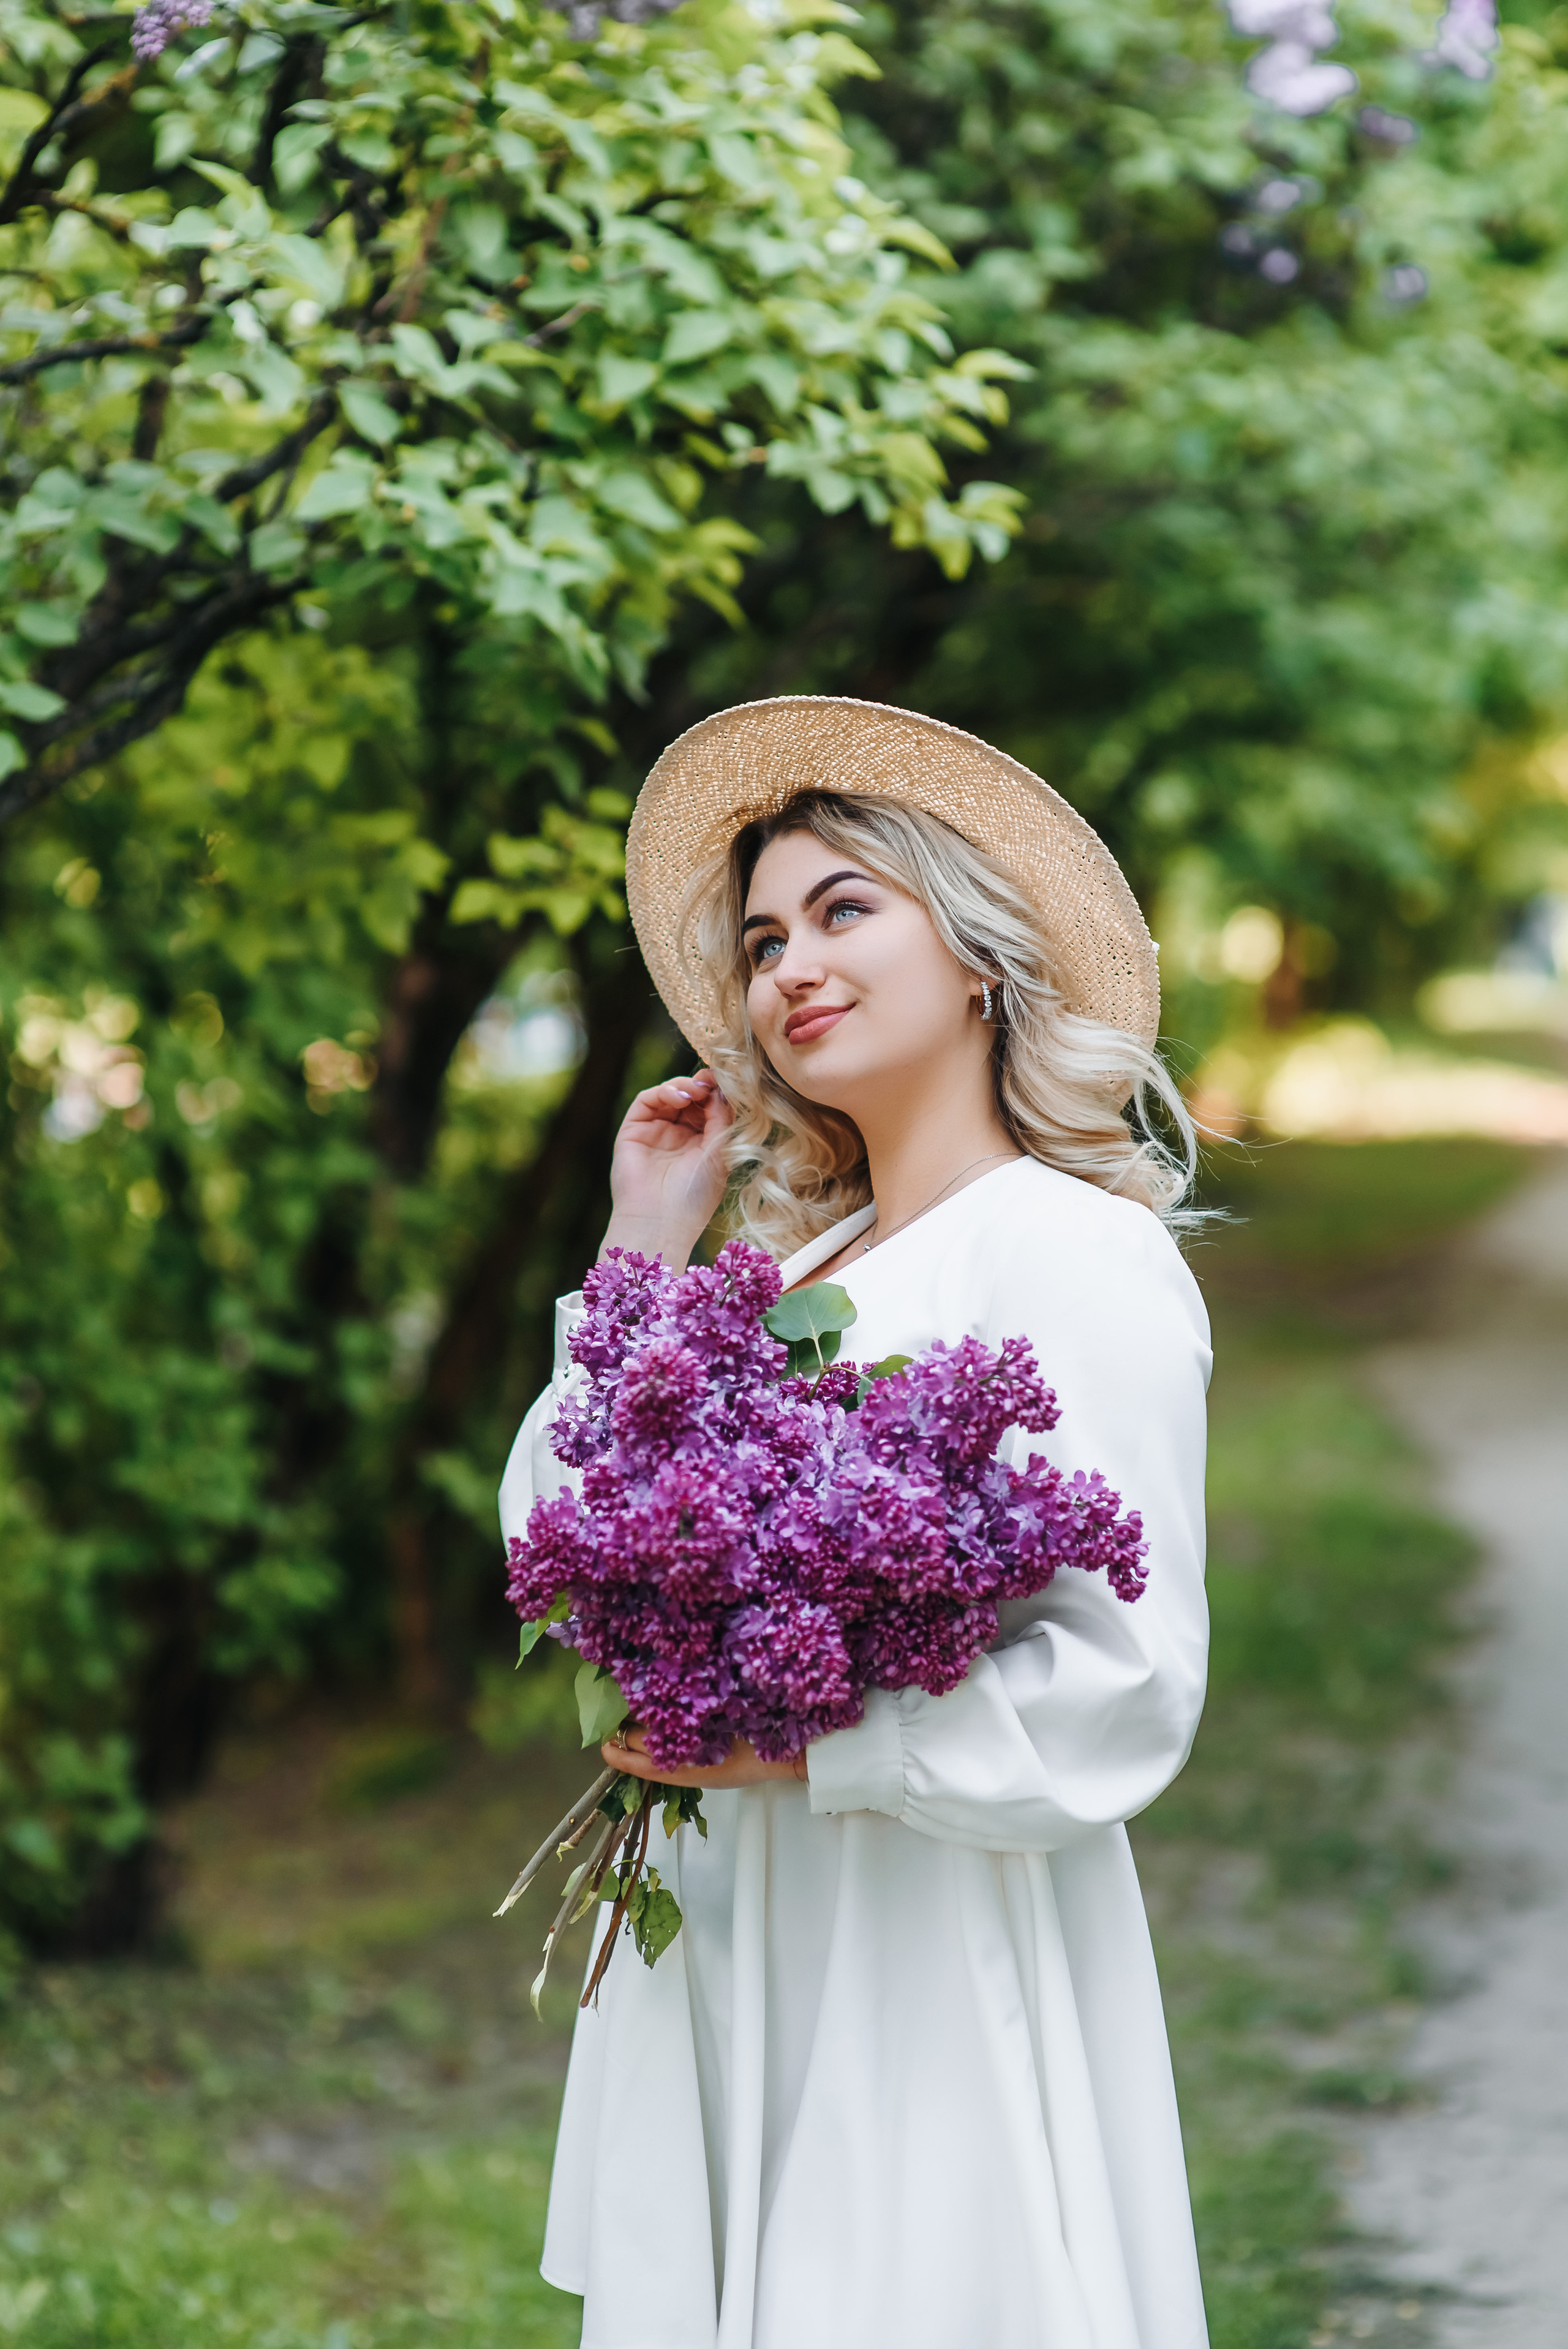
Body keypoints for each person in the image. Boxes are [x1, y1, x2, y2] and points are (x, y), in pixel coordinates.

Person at [499, 697, 1212, 2349]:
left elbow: (1128, 1679)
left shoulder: (1071, 1251)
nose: (788, 969)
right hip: (737, 1916)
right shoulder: (785, 1281)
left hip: (924, 1932)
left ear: (975, 957)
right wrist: (641, 1247)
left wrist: (812, 1747)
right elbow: (558, 1541)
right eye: (762, 942)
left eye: (841, 911)